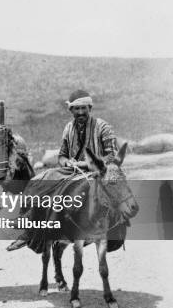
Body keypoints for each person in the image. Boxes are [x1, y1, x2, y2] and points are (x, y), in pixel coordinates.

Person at [7, 89, 118, 251]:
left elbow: (111, 156)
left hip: (98, 171)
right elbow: (62, 156)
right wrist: (67, 163)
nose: (80, 112)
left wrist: (87, 164)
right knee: (41, 179)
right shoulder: (68, 128)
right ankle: (28, 226)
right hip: (73, 170)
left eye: (83, 108)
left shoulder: (103, 127)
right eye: (76, 109)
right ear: (71, 110)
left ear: (90, 108)